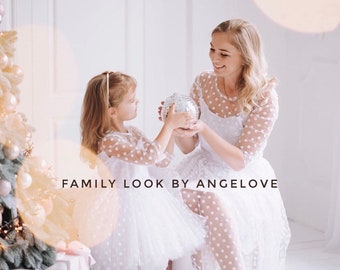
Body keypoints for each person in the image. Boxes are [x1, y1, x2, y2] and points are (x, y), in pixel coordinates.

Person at [172, 19, 291, 269]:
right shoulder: (203, 83)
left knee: (213, 201)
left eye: (224, 53)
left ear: (245, 57)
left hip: (240, 176)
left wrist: (204, 128)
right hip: (201, 167)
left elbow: (239, 161)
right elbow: (187, 147)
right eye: (212, 49)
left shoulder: (264, 96)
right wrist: (174, 125)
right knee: (173, 196)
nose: (214, 58)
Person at [79, 71, 205, 270]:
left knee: (157, 256)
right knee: (127, 259)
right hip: (120, 208)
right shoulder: (109, 141)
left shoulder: (133, 132)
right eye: (131, 100)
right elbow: (147, 156)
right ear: (112, 111)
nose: (137, 102)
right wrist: (169, 125)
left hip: (145, 201)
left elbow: (161, 160)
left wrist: (170, 130)